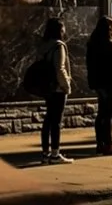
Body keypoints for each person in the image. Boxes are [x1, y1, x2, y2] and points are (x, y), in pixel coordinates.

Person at [32, 18, 73, 164]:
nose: (65, 30)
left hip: (46, 87)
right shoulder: (59, 46)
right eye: (63, 28)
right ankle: (55, 154)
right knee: (56, 121)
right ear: (59, 30)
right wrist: (66, 86)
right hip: (57, 88)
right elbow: (60, 68)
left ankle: (45, 153)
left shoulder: (43, 45)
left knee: (48, 120)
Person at [85, 15, 112, 156]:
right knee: (110, 115)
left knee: (101, 114)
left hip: (99, 83)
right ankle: (108, 144)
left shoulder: (92, 44)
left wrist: (93, 83)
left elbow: (89, 66)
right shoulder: (111, 45)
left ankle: (100, 143)